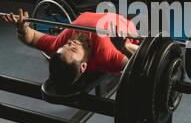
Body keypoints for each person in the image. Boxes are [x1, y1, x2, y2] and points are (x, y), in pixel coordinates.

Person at [2, 9, 139, 93]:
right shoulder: (105, 56)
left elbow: (31, 38)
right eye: (73, 48)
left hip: (95, 11)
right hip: (129, 22)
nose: (71, 42)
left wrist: (22, 29)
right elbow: (141, 62)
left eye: (66, 45)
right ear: (83, 66)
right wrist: (124, 46)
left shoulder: (58, 45)